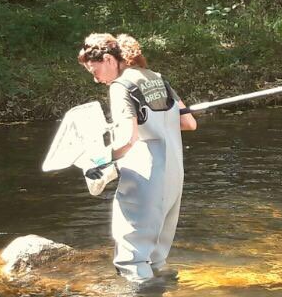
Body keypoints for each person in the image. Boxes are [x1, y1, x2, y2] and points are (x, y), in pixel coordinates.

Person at [78, 32, 197, 281]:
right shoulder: (158, 79)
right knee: (156, 257)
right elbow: (188, 122)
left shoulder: (122, 86)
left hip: (145, 176)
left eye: (94, 71)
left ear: (109, 59)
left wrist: (98, 161)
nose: (96, 79)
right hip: (174, 175)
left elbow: (126, 141)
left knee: (131, 259)